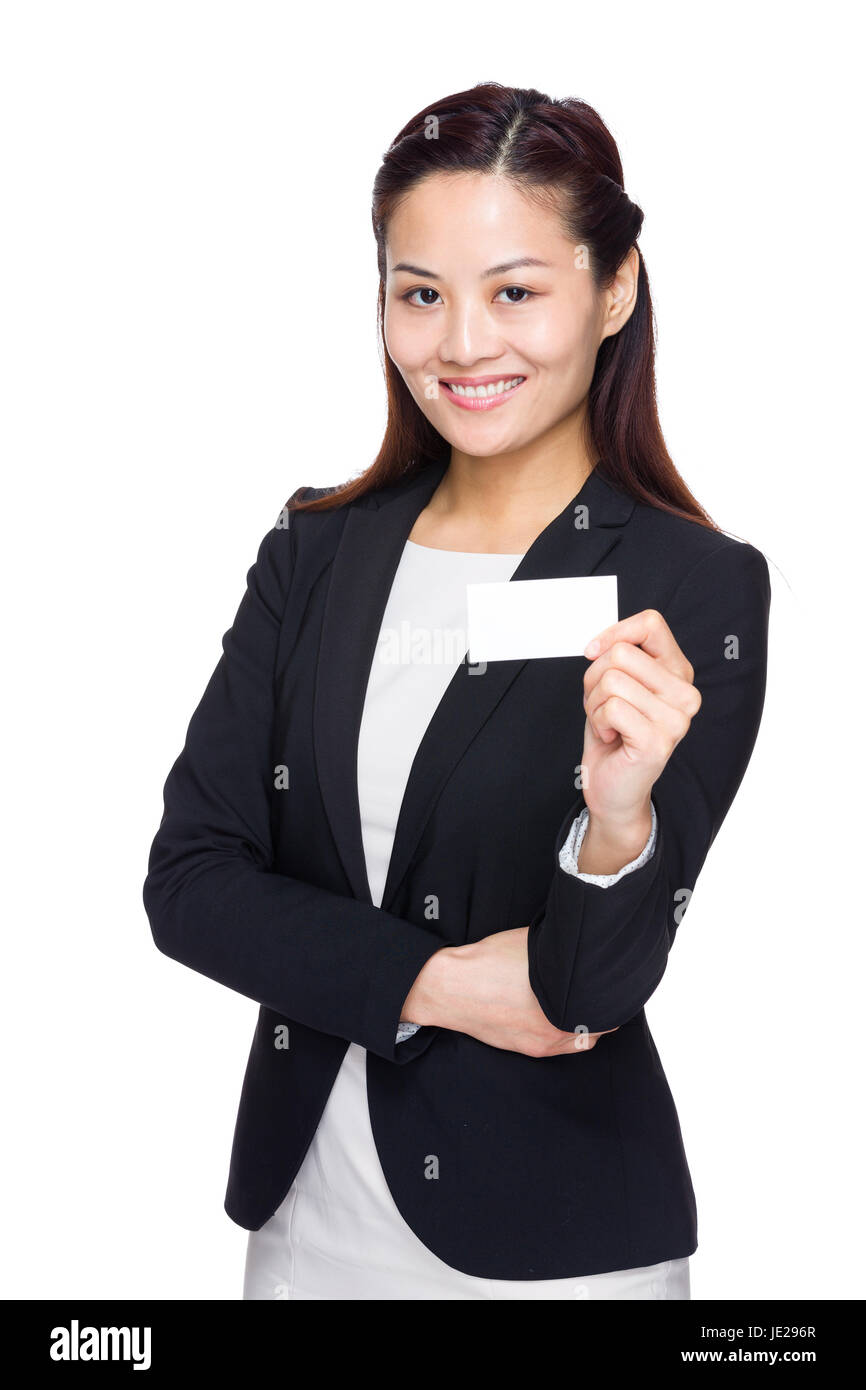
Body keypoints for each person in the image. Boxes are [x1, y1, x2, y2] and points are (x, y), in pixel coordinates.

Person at [143, 82, 771, 1300]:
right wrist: (426, 982)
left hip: (557, 1251)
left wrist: (619, 821)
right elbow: (190, 883)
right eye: (419, 294)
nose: (463, 345)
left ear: (615, 287)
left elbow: (581, 993)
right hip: (305, 1232)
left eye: (515, 292)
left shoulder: (685, 585)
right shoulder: (314, 549)